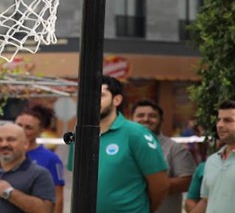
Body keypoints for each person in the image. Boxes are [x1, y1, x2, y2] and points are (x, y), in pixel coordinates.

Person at [67, 75, 169, 213]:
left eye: (101, 95)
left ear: (117, 100)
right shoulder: (78, 135)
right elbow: (78, 182)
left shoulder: (136, 134)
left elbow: (160, 185)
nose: (92, 101)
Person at [131, 99, 197, 213]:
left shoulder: (175, 149)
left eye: (152, 116)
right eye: (140, 115)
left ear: (161, 121)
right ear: (131, 120)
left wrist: (151, 184)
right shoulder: (122, 147)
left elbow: (187, 182)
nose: (146, 119)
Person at [15, 105, 65, 213]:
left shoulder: (51, 159)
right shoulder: (4, 155)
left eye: (28, 127)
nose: (22, 131)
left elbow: (58, 197)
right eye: (19, 125)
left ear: (40, 130)